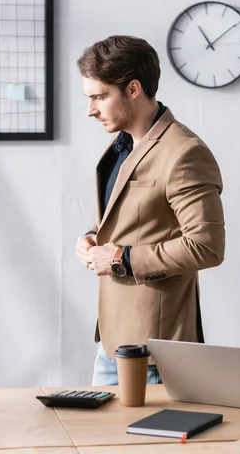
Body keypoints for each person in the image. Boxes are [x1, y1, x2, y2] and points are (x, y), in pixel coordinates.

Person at [75, 35, 225, 386]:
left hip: (155, 351)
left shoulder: (184, 152)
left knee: (145, 444)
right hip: (111, 338)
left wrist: (121, 258)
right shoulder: (121, 146)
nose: (90, 110)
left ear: (133, 89)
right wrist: (94, 237)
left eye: (99, 96)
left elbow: (207, 245)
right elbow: (132, 220)